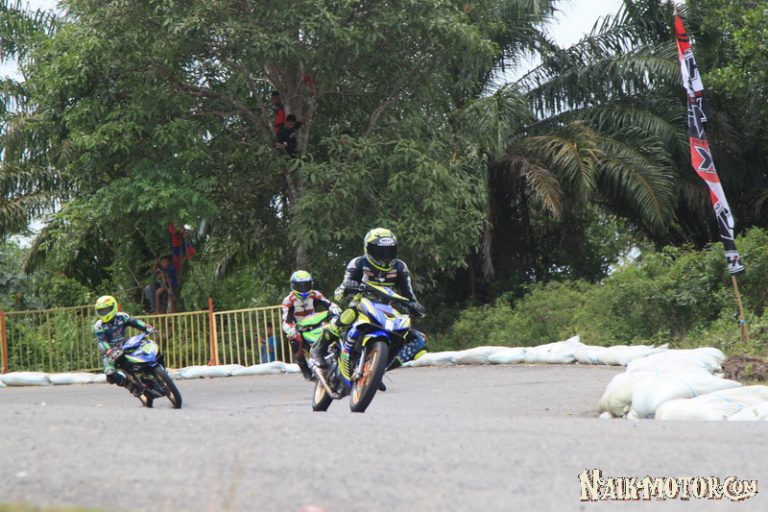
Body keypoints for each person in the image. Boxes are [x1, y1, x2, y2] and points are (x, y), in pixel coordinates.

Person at [310, 228, 427, 390]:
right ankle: (319, 348)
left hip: (386, 310)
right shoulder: (358, 263)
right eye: (379, 251)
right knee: (349, 314)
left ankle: (377, 369)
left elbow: (409, 296)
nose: (385, 256)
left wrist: (415, 306)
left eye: (389, 251)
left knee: (418, 341)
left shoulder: (400, 267)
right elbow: (339, 293)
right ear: (368, 249)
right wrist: (348, 287)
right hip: (360, 304)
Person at [281, 270, 341, 380]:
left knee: (332, 328)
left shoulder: (315, 294)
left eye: (306, 285)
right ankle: (304, 367)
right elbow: (286, 321)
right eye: (300, 286)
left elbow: (328, 304)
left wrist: (334, 308)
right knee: (295, 340)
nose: (303, 289)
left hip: (315, 323)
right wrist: (290, 329)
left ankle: (338, 353)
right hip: (299, 328)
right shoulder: (288, 300)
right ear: (293, 286)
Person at [93, 295, 156, 396]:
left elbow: (135, 322)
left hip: (125, 345)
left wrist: (146, 327)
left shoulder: (122, 316)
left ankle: (151, 374)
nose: (104, 313)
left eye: (106, 310)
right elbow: (102, 340)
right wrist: (109, 350)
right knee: (110, 373)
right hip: (110, 352)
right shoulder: (98, 326)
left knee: (144, 352)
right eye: (101, 311)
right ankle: (129, 385)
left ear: (113, 307)